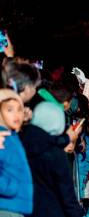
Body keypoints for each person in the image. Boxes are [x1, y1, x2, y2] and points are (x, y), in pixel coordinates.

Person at [19, 102, 84, 217]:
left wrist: (67, 138)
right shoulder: (56, 155)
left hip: (24, 210)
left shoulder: (19, 143)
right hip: (53, 211)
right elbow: (67, 197)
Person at [0, 89, 33, 217]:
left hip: (14, 207)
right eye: (10, 110)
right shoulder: (2, 137)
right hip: (7, 207)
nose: (16, 115)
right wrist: (10, 187)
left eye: (19, 109)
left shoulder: (11, 135)